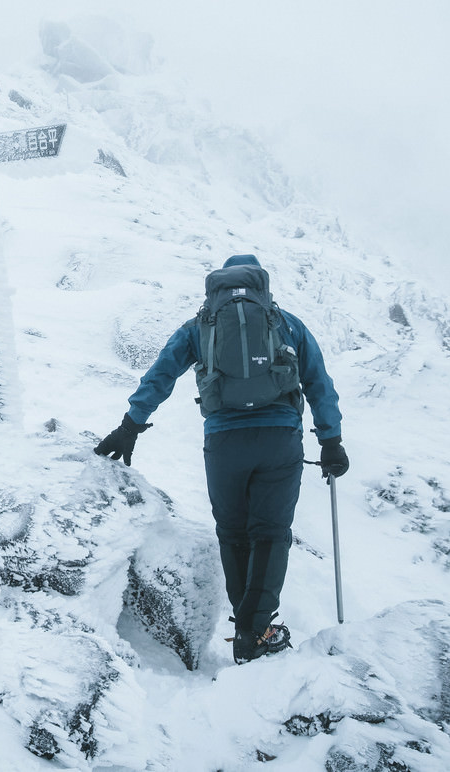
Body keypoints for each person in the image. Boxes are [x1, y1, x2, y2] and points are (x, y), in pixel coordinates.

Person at [94, 254, 348, 665]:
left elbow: (160, 375)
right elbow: (319, 383)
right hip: (280, 440)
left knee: (233, 533)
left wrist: (130, 426)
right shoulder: (286, 324)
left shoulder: (200, 326)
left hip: (224, 442)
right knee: (270, 532)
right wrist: (331, 441)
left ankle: (246, 628)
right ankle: (255, 631)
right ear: (262, 288)